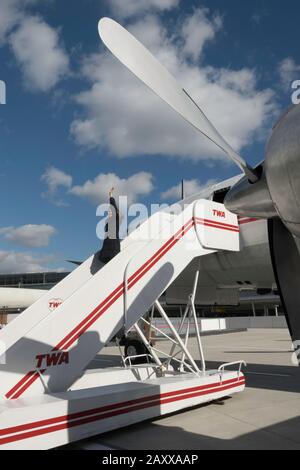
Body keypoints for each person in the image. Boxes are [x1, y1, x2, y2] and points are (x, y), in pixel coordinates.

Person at [98, 187, 121, 264]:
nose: (109, 212)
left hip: (113, 245)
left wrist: (110, 195)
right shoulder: (109, 221)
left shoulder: (115, 219)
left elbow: (113, 205)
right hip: (107, 245)